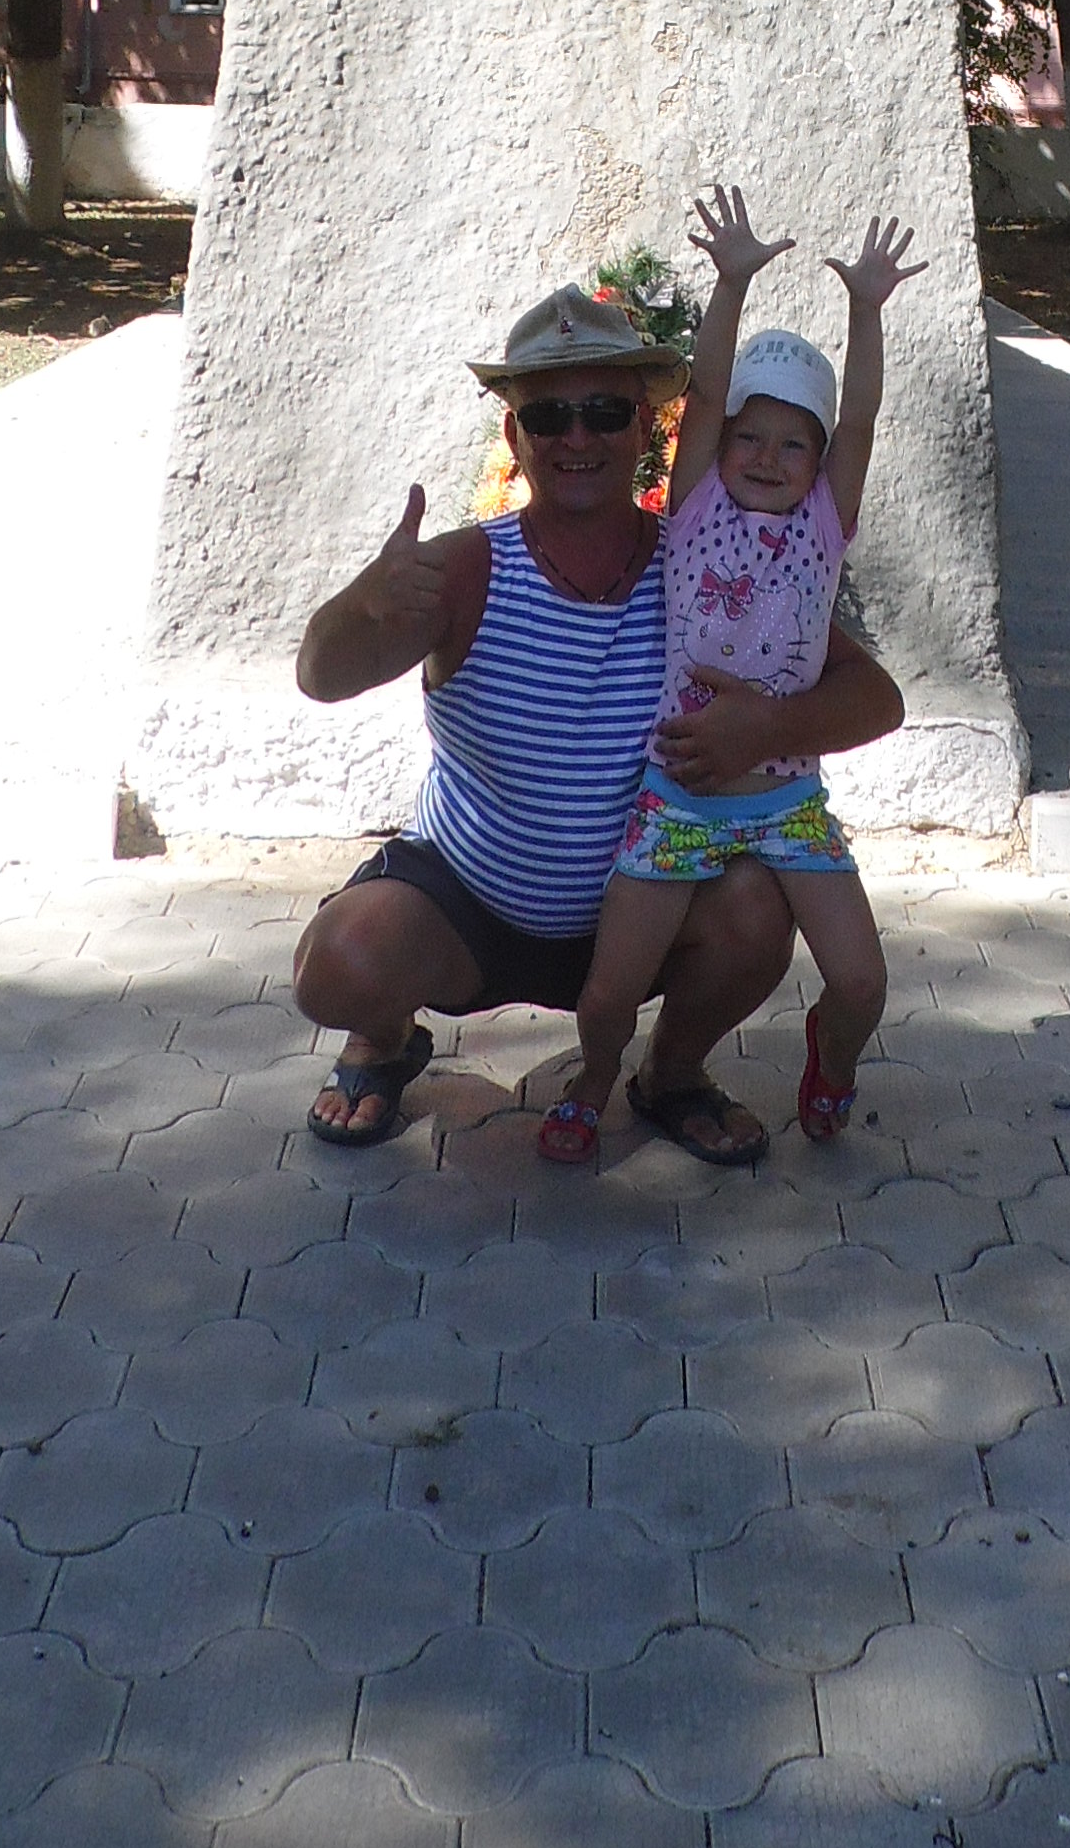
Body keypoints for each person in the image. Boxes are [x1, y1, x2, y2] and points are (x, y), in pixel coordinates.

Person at [287, 278, 905, 1164]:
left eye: (606, 413)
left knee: (756, 913)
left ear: (647, 430)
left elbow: (876, 697)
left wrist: (767, 729)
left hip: (645, 910)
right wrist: (363, 606)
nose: (577, 438)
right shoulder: (467, 568)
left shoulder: (708, 566)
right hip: (468, 908)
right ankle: (384, 1040)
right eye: (549, 417)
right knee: (338, 964)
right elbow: (321, 676)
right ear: (515, 437)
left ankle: (672, 1073)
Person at [539, 190, 916, 1166]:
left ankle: (831, 1066)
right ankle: (593, 1079)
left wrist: (866, 309)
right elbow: (704, 395)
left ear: (818, 465)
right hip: (678, 803)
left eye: (794, 444)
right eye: (750, 436)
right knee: (610, 993)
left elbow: (862, 419)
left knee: (864, 983)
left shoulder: (824, 528)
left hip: (788, 805)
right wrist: (731, 282)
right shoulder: (696, 510)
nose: (766, 456)